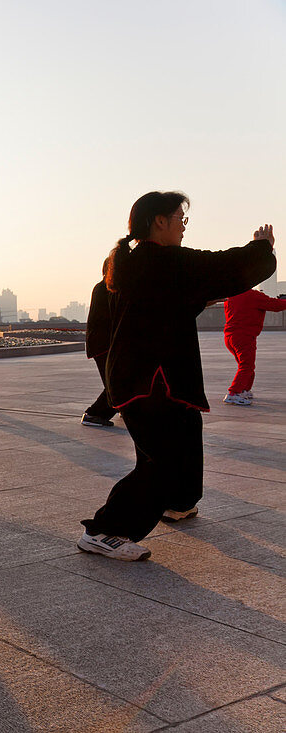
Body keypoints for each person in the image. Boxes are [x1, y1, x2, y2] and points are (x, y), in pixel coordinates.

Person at [78, 191, 275, 562]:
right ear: (159, 222)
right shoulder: (158, 259)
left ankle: (178, 502)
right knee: (162, 460)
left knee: (184, 439)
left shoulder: (140, 263)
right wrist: (260, 248)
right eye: (180, 219)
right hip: (150, 380)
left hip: (158, 377)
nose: (184, 226)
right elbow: (221, 266)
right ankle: (106, 530)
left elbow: (169, 302)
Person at [221, 288, 286, 405]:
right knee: (247, 366)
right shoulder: (253, 295)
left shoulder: (232, 295)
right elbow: (276, 306)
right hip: (244, 336)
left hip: (230, 336)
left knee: (245, 365)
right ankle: (233, 393)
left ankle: (244, 390)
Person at [81, 261, 119, 427]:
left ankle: (124, 406)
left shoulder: (103, 287)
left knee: (116, 381)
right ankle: (94, 413)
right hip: (104, 345)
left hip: (102, 345)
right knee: (116, 383)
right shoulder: (108, 288)